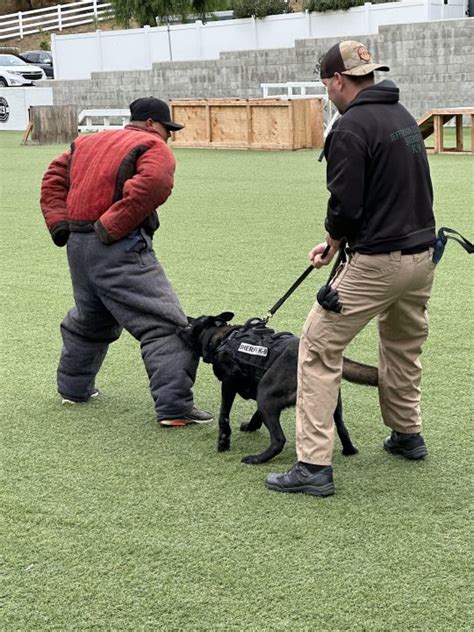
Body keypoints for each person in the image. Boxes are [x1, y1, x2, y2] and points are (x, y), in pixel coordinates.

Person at [265, 41, 436, 497]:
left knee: (318, 347)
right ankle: (407, 435)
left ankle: (313, 466)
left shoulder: (350, 128)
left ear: (338, 80)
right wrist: (334, 244)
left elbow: (347, 204)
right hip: (422, 257)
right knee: (401, 347)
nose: (328, 93)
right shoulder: (402, 116)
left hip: (377, 261)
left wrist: (333, 240)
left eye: (326, 85)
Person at [40, 96, 213, 427]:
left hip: (77, 247)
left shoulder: (86, 143)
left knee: (90, 320)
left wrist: (61, 224)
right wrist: (112, 225)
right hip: (117, 246)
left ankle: (73, 389)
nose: (169, 136)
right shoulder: (150, 144)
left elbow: (53, 179)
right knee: (166, 325)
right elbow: (156, 182)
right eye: (167, 129)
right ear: (150, 123)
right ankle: (175, 409)